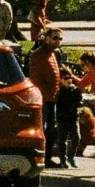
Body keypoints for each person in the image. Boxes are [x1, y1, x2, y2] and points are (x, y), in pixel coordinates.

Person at [30, 31, 66, 167]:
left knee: (51, 130)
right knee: (44, 130)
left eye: (60, 38)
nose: (58, 41)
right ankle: (40, 157)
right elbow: (36, 79)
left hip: (52, 100)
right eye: (55, 38)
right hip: (44, 100)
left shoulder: (54, 54)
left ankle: (48, 158)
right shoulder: (38, 55)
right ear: (46, 38)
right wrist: (47, 94)